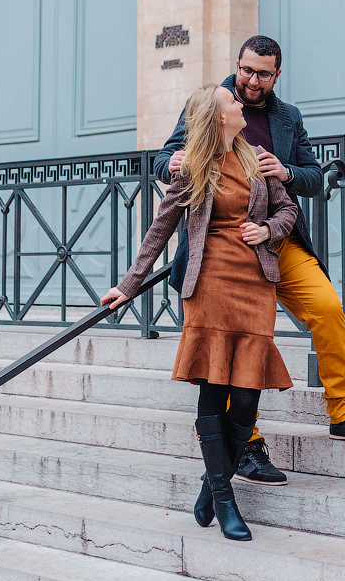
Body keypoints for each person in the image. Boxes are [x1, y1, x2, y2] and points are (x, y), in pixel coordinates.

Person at [154, 34, 345, 490]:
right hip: (229, 254)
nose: (251, 80)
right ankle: (248, 444)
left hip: (278, 238)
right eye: (246, 69)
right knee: (244, 339)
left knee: (328, 309)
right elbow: (165, 158)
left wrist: (286, 171)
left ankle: (344, 411)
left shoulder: (287, 117)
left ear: (277, 75)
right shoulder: (211, 102)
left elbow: (314, 178)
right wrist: (171, 163)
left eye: (263, 73)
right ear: (237, 64)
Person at [101, 84, 298, 542]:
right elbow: (161, 227)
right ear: (217, 116)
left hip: (255, 286)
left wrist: (266, 229)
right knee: (214, 391)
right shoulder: (194, 166)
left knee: (247, 398)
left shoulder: (256, 156)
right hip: (208, 285)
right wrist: (129, 285)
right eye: (232, 102)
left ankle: (212, 486)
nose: (239, 103)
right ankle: (226, 501)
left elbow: (288, 210)